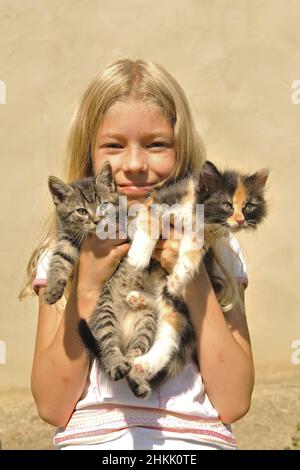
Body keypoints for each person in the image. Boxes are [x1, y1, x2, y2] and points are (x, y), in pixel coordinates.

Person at [20, 59, 254, 450]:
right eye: (113, 145)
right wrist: (88, 286)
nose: (134, 165)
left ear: (183, 153)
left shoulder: (218, 247)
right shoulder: (66, 252)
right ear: (89, 156)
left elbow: (233, 401)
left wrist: (192, 274)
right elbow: (51, 405)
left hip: (194, 442)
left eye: (156, 144)